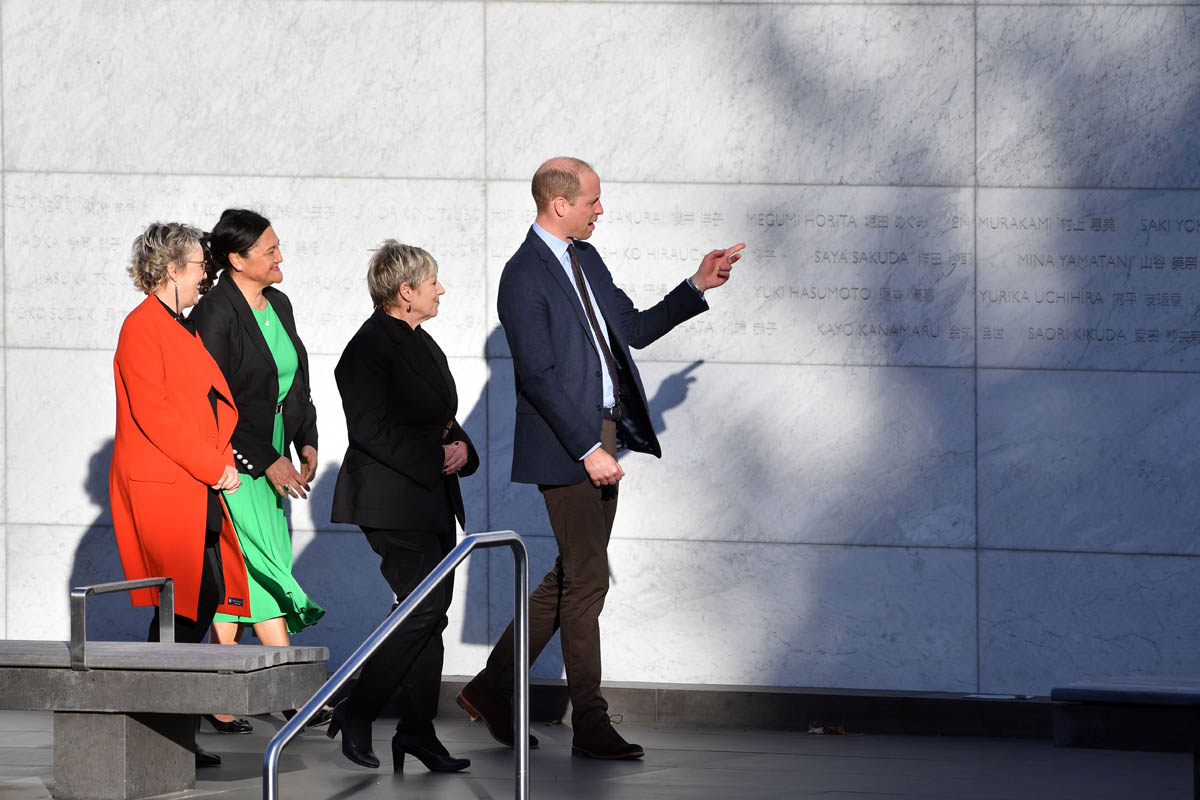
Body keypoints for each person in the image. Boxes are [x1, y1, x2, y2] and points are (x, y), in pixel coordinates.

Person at [457, 157, 742, 759]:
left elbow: (632, 329)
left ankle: (491, 688)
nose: (600, 209)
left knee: (573, 574)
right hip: (569, 445)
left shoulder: (586, 258)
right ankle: (590, 723)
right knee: (587, 582)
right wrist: (588, 449)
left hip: (602, 436)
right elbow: (538, 376)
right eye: (592, 200)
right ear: (559, 204)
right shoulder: (522, 275)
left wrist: (695, 285)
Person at [326, 241, 478, 773]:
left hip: (430, 498)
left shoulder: (422, 341)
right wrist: (434, 455)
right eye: (433, 282)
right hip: (389, 500)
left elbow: (439, 417)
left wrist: (462, 448)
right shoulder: (367, 348)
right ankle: (358, 707)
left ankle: (417, 731)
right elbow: (370, 430)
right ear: (405, 291)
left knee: (429, 615)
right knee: (425, 607)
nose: (442, 290)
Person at [109, 221, 250, 767]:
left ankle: (170, 732)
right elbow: (157, 414)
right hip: (169, 487)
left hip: (190, 484)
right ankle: (160, 735)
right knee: (182, 607)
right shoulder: (143, 326)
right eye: (198, 266)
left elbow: (198, 405)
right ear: (171, 270)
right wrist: (215, 467)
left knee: (197, 601)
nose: (204, 276)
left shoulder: (178, 326)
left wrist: (217, 461)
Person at [190, 209, 325, 733]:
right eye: (269, 250)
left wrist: (306, 438)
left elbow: (297, 382)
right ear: (236, 259)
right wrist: (266, 459)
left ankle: (218, 696)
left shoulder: (280, 304)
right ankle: (294, 692)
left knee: (241, 576)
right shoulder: (214, 313)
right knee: (263, 569)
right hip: (237, 461)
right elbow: (213, 401)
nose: (279, 257)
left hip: (275, 459)